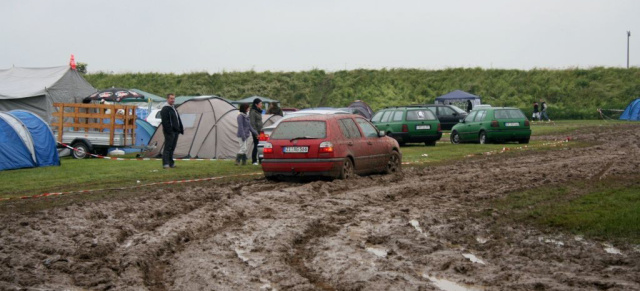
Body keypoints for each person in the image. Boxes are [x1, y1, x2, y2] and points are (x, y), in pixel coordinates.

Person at [160, 93, 183, 169]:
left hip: (175, 131)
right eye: (171, 98)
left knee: (172, 148)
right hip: (169, 132)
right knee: (168, 147)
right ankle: (165, 164)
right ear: (167, 99)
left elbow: (177, 119)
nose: (173, 100)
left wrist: (180, 129)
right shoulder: (165, 109)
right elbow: (165, 122)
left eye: (173, 98)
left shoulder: (173, 108)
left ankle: (171, 163)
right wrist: (169, 131)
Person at [249, 98, 264, 165]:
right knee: (256, 145)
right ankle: (254, 160)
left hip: (260, 131)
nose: (261, 105)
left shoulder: (258, 111)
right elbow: (252, 123)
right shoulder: (253, 112)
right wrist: (255, 133)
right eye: (260, 103)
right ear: (256, 104)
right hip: (256, 131)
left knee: (260, 145)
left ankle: (260, 159)